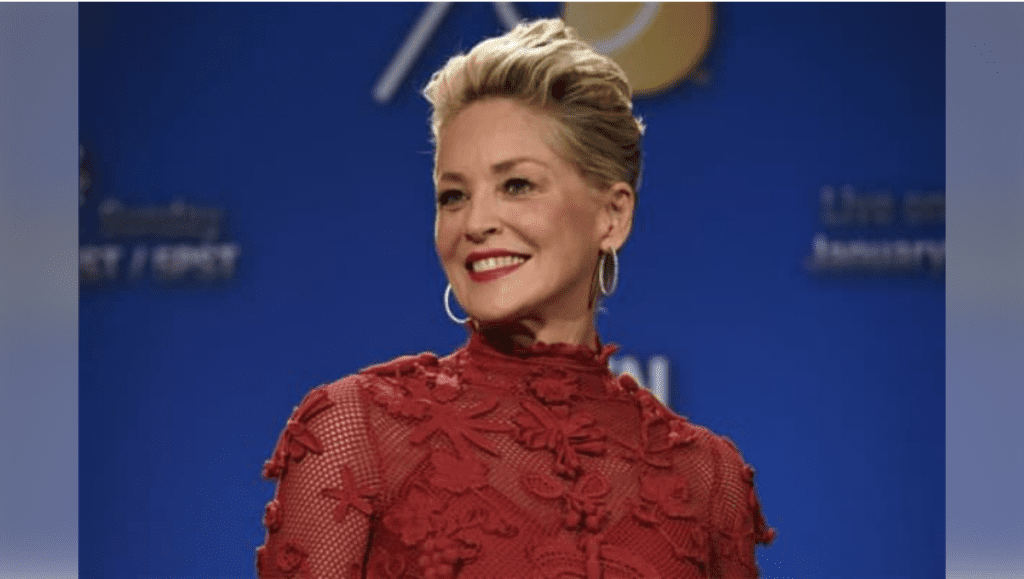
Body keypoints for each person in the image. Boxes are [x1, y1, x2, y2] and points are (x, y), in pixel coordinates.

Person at [256, 18, 774, 579]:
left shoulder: (707, 477)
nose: (476, 222)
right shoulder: (357, 430)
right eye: (453, 196)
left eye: (517, 185)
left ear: (613, 214)